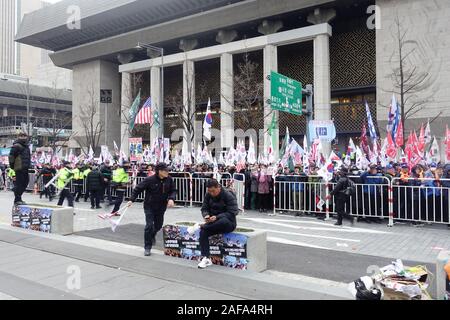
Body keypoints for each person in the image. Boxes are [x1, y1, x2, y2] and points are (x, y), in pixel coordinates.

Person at [127, 163, 177, 256]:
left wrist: (171, 198)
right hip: (149, 206)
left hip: (161, 206)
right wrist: (131, 200)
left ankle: (152, 234)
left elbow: (173, 190)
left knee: (158, 225)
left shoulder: (169, 179)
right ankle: (147, 247)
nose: (168, 172)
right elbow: (138, 189)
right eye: (166, 170)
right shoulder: (150, 180)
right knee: (149, 226)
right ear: (159, 171)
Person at [194, 178, 238, 269]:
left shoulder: (228, 195)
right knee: (203, 232)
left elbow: (233, 212)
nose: (211, 193)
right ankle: (206, 258)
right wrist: (206, 216)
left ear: (218, 187)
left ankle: (202, 226)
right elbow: (204, 208)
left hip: (228, 223)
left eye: (213, 191)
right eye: (209, 191)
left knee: (223, 221)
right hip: (212, 224)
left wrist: (217, 217)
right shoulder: (208, 195)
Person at [8, 132, 31, 205]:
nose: (23, 137)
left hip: (25, 168)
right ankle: (17, 200)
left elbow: (28, 157)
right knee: (19, 184)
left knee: (25, 183)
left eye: (24, 136)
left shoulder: (26, 146)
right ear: (18, 137)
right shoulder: (16, 146)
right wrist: (12, 166)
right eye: (21, 136)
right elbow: (11, 157)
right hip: (19, 168)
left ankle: (18, 197)